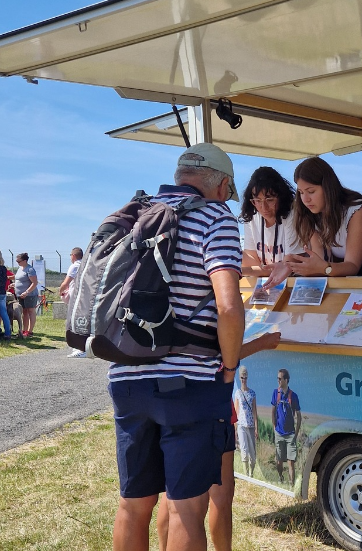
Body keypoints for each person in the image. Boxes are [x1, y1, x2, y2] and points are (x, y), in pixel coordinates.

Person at [107, 142, 245, 551]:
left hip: (126, 377)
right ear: (220, 185)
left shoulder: (137, 213)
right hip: (188, 384)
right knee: (187, 509)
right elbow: (228, 305)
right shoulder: (215, 218)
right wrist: (231, 367)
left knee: (133, 506)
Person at [156, 333, 281, 551]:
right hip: (210, 404)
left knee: (174, 494)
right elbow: (220, 356)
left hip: (168, 400)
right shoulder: (211, 300)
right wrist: (261, 343)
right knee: (218, 496)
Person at [269, 157, 362, 282]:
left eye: (311, 191)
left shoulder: (358, 211)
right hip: (350, 274)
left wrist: (324, 268)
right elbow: (320, 262)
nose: (305, 199)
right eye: (301, 192)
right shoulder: (310, 214)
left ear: (328, 187)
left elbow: (352, 266)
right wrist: (290, 267)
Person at [239, 166, 302, 281]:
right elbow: (251, 260)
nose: (263, 207)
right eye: (257, 201)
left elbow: (286, 267)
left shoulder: (293, 214)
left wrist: (240, 272)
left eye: (269, 200)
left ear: (281, 197)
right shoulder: (251, 216)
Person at [272, 368, 301, 484]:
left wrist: (296, 432)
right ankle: (280, 477)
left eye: (280, 378)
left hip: (290, 434)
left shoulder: (293, 396)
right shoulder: (275, 393)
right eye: (277, 378)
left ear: (286, 380)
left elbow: (299, 415)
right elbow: (273, 411)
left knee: (290, 462)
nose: (278, 380)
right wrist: (274, 427)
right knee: (279, 461)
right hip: (279, 432)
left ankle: (291, 484)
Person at [62, 248, 87, 357]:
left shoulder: (75, 266)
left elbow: (66, 281)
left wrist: (60, 290)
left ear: (73, 255)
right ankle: (81, 347)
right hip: (84, 297)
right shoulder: (86, 264)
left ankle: (80, 348)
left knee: (74, 322)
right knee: (81, 321)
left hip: (75, 298)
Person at [234, 365, 258, 478]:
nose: (244, 379)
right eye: (242, 377)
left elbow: (254, 411)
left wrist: (257, 428)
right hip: (241, 425)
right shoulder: (238, 393)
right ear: (239, 378)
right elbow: (236, 411)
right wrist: (234, 429)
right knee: (244, 451)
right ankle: (246, 475)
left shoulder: (252, 393)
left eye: (245, 377)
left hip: (251, 425)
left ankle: (251, 473)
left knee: (252, 455)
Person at [14, 253, 39, 337]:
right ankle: (24, 330)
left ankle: (30, 331)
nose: (17, 262)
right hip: (20, 295)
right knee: (24, 311)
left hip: (30, 295)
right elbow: (20, 280)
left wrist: (27, 292)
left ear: (25, 261)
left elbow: (34, 283)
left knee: (30, 311)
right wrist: (14, 284)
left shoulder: (30, 269)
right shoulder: (20, 268)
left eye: (19, 261)